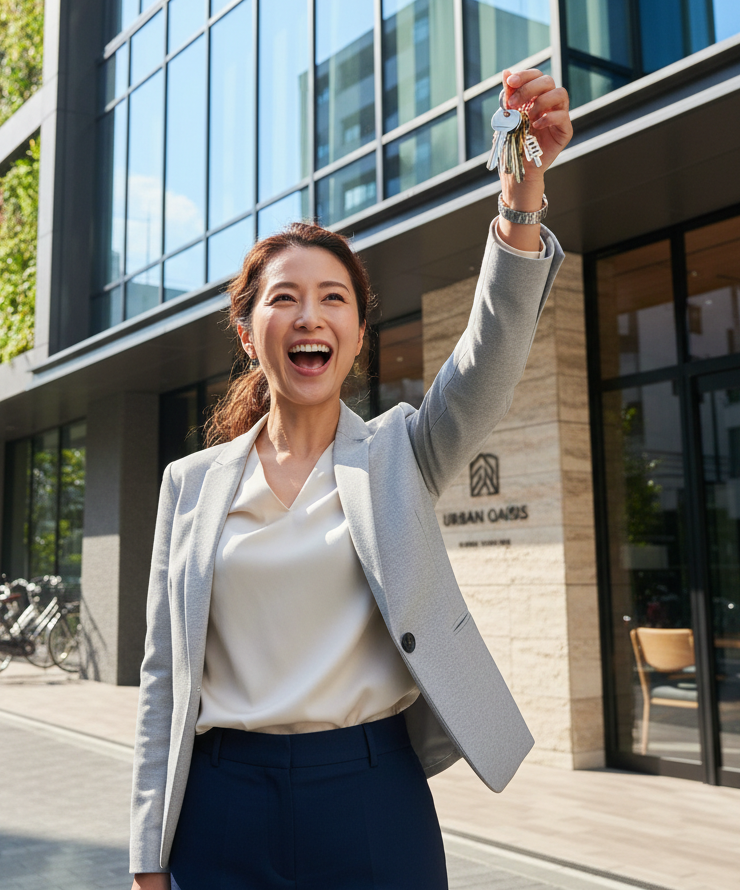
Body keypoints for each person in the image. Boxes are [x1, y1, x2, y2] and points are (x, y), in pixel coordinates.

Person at [130, 67, 572, 889]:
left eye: (333, 299)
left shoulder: (402, 451)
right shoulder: (189, 486)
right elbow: (165, 677)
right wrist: (146, 855)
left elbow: (488, 359)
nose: (309, 316)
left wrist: (521, 200)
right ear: (246, 328)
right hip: (221, 802)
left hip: (372, 794)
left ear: (358, 333)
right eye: (284, 298)